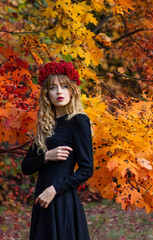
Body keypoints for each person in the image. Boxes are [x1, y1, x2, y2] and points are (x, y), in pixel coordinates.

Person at [21, 60, 93, 240]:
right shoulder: (46, 126)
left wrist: (54, 189)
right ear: (47, 94)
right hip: (42, 199)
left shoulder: (78, 121)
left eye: (64, 86)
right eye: (53, 87)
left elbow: (86, 169)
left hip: (61, 198)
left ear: (72, 90)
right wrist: (46, 156)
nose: (59, 92)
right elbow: (26, 167)